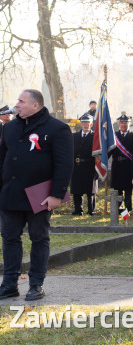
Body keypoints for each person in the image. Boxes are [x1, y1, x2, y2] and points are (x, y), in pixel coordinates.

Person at [0, 89, 73, 301]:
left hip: (39, 195)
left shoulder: (57, 128)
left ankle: (35, 284)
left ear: (35, 105)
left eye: (21, 101)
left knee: (39, 238)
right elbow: (2, 160)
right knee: (9, 238)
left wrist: (57, 194)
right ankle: (9, 284)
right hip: (10, 194)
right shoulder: (10, 127)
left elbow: (64, 164)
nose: (17, 105)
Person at [70, 114, 98, 216]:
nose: (86, 124)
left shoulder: (95, 137)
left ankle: (92, 210)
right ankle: (78, 210)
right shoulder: (74, 136)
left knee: (91, 191)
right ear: (81, 124)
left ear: (91, 124)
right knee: (77, 190)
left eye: (87, 122)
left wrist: (97, 169)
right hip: (77, 166)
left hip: (90, 166)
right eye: (83, 122)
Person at [110, 114, 133, 214]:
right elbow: (109, 152)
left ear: (129, 124)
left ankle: (127, 212)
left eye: (125, 123)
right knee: (118, 192)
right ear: (118, 124)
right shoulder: (113, 136)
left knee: (128, 192)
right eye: (121, 123)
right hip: (117, 167)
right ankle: (120, 212)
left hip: (128, 167)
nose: (123, 125)